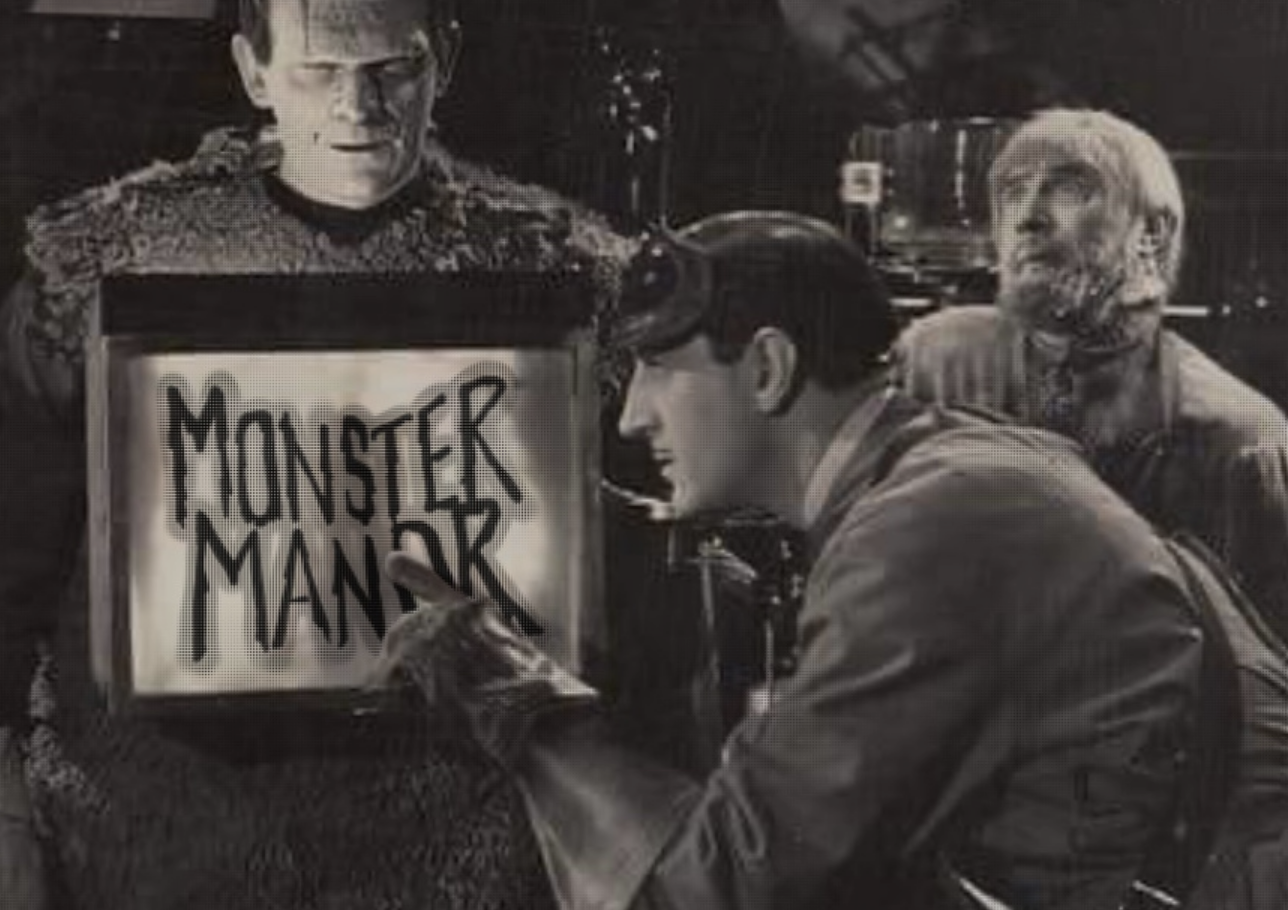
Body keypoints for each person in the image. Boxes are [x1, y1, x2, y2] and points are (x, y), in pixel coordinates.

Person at [0, 0, 635, 907]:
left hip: (464, 840)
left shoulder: (559, 268)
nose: (357, 106)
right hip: (172, 837)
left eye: (393, 68)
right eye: (318, 70)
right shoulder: (107, 260)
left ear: (446, 61)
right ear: (254, 70)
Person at [375, 210, 1237, 909]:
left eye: (660, 367)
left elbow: (715, 891)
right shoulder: (950, 466)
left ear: (768, 367)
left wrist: (517, 700)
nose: (632, 414)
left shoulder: (920, 534)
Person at [896, 109, 1288, 649]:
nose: (1026, 218)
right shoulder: (933, 362)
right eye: (1013, 192)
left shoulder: (1239, 442)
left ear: (1151, 233)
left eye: (1069, 190)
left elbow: (1264, 671)